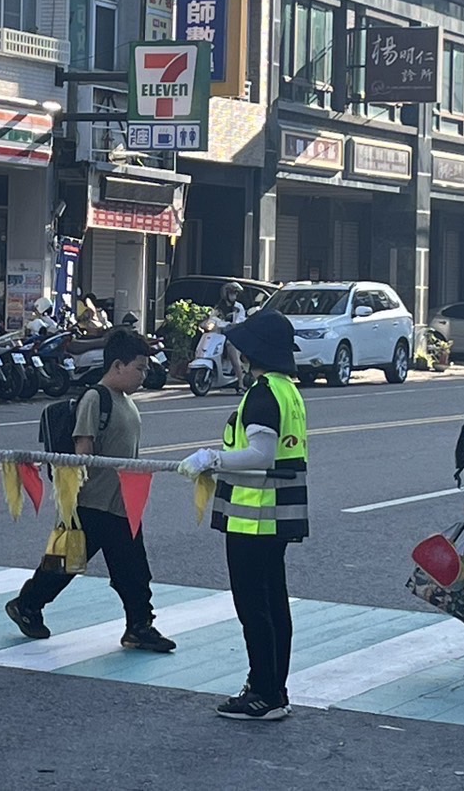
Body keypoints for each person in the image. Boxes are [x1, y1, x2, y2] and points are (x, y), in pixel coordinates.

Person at [4, 328, 178, 654]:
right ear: (117, 366)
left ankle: (139, 626)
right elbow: (82, 452)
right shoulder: (96, 399)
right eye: (139, 368)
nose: (143, 375)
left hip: (122, 503)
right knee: (64, 565)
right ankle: (26, 604)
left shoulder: (126, 402)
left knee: (134, 571)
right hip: (91, 503)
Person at [182, 308, 308, 720]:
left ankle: (264, 694)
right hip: (275, 514)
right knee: (273, 604)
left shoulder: (263, 393)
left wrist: (213, 458)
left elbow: (261, 454)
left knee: (254, 606)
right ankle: (272, 688)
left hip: (254, 516)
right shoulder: (287, 390)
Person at [213, 282, 249, 389]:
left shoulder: (238, 307)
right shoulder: (219, 306)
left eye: (236, 293)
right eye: (232, 293)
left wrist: (232, 324)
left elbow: (240, 320)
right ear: (226, 294)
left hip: (234, 335)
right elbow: (213, 316)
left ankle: (240, 383)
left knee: (232, 351)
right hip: (220, 334)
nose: (234, 295)